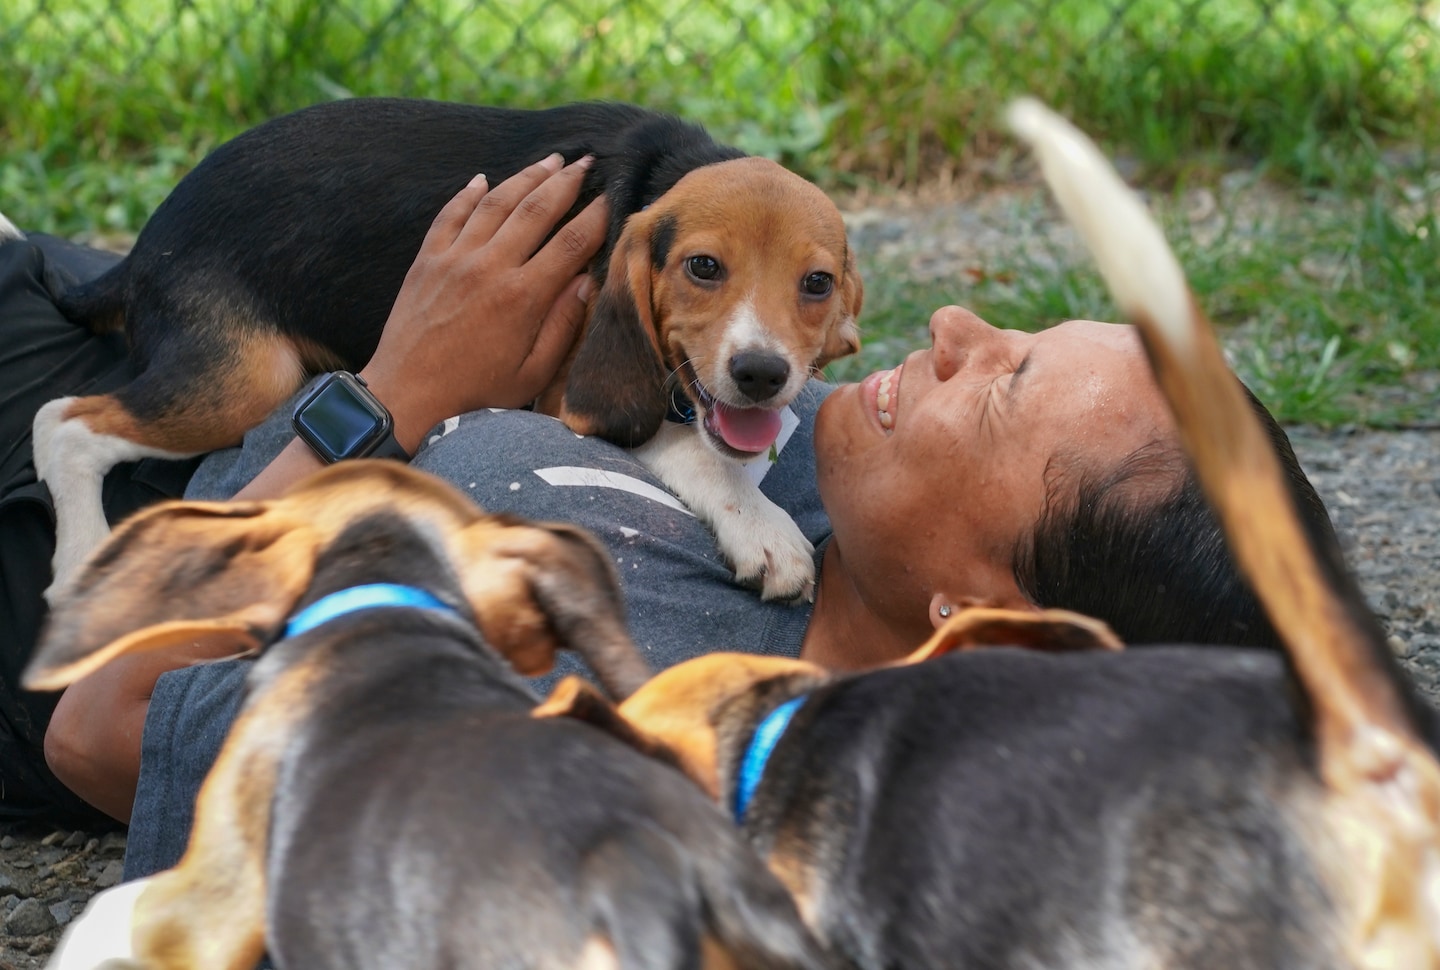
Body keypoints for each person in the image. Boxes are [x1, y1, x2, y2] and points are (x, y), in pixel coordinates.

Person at [2, 153, 1337, 875]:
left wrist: (387, 403)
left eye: (999, 389)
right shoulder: (815, 472)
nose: (950, 325)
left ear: (984, 624)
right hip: (154, 328)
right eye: (1008, 326)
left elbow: (99, 723)